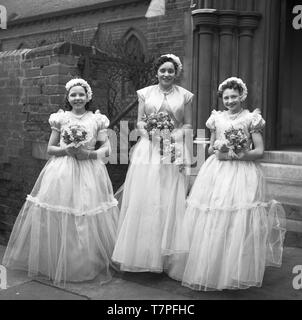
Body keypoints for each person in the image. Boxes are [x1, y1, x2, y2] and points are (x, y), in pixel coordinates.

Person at [2, 78, 119, 286]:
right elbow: (50, 149)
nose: (77, 98)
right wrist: (66, 150)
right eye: (73, 94)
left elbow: (107, 149)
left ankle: (85, 263)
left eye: (81, 94)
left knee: (85, 213)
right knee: (61, 213)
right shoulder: (61, 119)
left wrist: (89, 155)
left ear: (88, 97)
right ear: (68, 97)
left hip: (89, 171)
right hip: (62, 172)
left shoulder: (97, 119)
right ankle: (59, 261)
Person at [179, 77, 286, 291]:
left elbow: (259, 151)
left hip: (242, 172)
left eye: (234, 96)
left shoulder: (251, 119)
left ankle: (235, 268)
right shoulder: (215, 119)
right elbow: (210, 148)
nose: (229, 101)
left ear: (242, 96)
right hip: (217, 172)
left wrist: (236, 153)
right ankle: (213, 266)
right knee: (215, 215)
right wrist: (219, 148)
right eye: (226, 97)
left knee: (238, 218)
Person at [112, 54, 194, 274]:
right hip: (148, 149)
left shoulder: (185, 96)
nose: (166, 74)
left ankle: (168, 258)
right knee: (146, 197)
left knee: (169, 198)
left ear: (176, 73)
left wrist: (172, 137)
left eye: (171, 71)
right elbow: (139, 121)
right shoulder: (145, 93)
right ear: (156, 72)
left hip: (174, 149)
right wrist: (152, 133)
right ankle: (143, 255)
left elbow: (187, 124)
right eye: (162, 70)